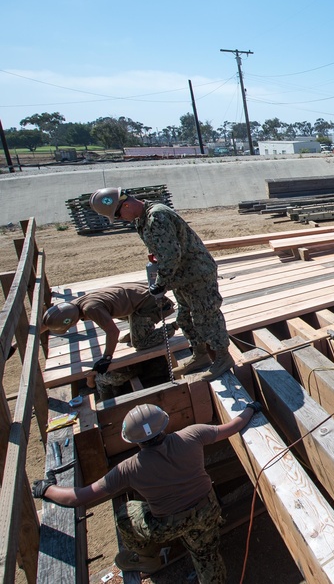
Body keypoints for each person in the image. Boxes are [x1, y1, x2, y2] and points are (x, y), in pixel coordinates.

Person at [33, 401, 262, 582]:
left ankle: (145, 559)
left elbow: (77, 497)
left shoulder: (129, 468)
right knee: (206, 555)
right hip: (207, 512)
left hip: (168, 525)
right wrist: (251, 408)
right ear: (163, 424)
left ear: (132, 439)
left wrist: (47, 489)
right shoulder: (193, 435)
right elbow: (233, 426)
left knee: (125, 514)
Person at [89, 188, 234, 382]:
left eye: (119, 214)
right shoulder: (143, 219)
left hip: (197, 274)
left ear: (126, 204)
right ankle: (200, 355)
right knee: (185, 318)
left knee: (206, 317)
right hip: (182, 278)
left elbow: (171, 255)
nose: (122, 219)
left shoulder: (157, 216)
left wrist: (160, 283)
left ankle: (223, 358)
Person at [42, 283, 176, 400]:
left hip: (153, 303)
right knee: (126, 331)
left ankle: (176, 325)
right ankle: (140, 329)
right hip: (138, 301)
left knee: (140, 343)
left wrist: (106, 358)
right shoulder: (73, 305)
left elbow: (113, 332)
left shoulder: (90, 308)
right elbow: (53, 320)